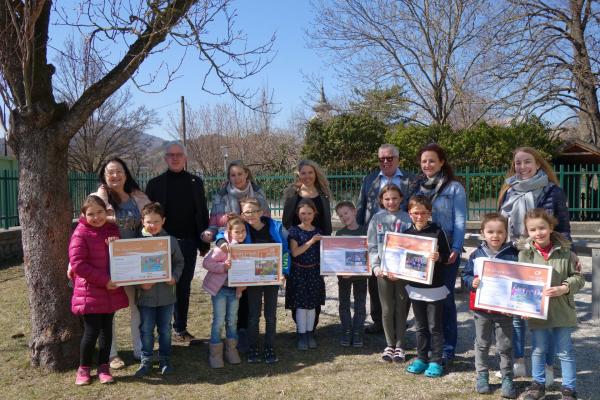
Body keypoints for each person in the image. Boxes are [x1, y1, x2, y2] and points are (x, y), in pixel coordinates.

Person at [67, 157, 150, 368]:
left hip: (133, 261)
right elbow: (83, 228)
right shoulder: (96, 198)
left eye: (119, 171)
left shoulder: (138, 197)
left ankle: (140, 350)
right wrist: (71, 262)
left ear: (126, 173)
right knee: (106, 311)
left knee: (135, 307)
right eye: (110, 172)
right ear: (104, 176)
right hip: (105, 263)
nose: (115, 175)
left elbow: (152, 223)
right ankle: (112, 355)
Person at [499, 146, 572, 381]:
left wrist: (570, 253)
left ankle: (549, 367)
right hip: (514, 253)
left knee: (546, 314)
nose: (522, 167)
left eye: (527, 162)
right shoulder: (507, 190)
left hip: (544, 256)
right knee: (518, 314)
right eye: (518, 163)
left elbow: (563, 227)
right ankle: (519, 362)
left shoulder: (553, 191)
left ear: (538, 164)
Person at [202, 160, 270, 354]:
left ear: (247, 175)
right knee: (234, 291)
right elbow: (214, 223)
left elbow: (265, 218)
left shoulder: (258, 193)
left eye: (240, 174)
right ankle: (237, 333)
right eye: (233, 175)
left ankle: (248, 332)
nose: (237, 178)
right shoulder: (221, 196)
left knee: (249, 292)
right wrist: (213, 233)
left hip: (253, 245)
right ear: (229, 177)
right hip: (229, 246)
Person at [146, 141, 210, 342]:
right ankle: (160, 331)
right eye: (170, 155)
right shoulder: (155, 184)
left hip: (188, 243)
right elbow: (148, 215)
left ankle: (180, 329)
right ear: (165, 158)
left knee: (183, 288)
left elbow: (202, 213)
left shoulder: (196, 182)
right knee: (159, 286)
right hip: (161, 244)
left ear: (185, 158)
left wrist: (203, 243)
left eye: (178, 154)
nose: (174, 158)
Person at [518, 209, 584, 400]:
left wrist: (564, 288)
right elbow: (521, 283)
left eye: (542, 228)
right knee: (538, 349)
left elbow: (579, 279)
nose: (538, 233)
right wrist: (522, 306)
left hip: (562, 309)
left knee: (565, 351)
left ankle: (569, 389)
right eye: (532, 229)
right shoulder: (525, 254)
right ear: (527, 232)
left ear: (551, 227)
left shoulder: (566, 252)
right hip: (538, 311)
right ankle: (537, 386)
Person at [410, 143, 466, 364]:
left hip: (445, 252)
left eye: (432, 160)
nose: (427, 165)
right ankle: (427, 347)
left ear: (442, 162)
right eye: (424, 161)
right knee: (422, 298)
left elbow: (460, 220)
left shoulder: (454, 188)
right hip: (421, 252)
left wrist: (456, 247)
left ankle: (447, 348)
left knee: (446, 298)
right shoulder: (416, 187)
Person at [69, 195, 128, 385]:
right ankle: (83, 369)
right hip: (90, 291)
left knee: (107, 331)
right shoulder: (80, 233)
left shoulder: (112, 230)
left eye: (100, 212)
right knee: (91, 331)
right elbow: (78, 264)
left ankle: (104, 367)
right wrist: (104, 281)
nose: (96, 217)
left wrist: (115, 244)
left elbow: (120, 257)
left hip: (110, 290)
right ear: (83, 215)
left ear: (107, 212)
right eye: (91, 214)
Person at [357, 144, 413, 334]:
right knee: (376, 282)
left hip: (402, 242)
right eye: (382, 159)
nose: (385, 162)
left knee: (402, 286)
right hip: (377, 238)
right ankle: (379, 321)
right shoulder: (370, 179)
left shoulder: (410, 179)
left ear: (398, 159)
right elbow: (361, 206)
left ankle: (400, 321)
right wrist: (358, 232)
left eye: (389, 158)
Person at [461, 213, 518, 398]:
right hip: (482, 309)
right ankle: (482, 376)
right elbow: (466, 275)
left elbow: (521, 279)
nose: (495, 235)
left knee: (505, 345)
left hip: (504, 310)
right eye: (490, 231)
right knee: (482, 344)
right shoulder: (477, 255)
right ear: (482, 233)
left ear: (506, 234)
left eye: (500, 232)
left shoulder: (513, 254)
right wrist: (471, 282)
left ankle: (507, 378)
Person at [236, 197, 290, 364]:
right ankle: (253, 347)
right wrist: (222, 241)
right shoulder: (241, 228)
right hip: (252, 279)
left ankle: (269, 347)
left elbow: (286, 252)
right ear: (242, 214)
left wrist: (285, 272)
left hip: (272, 278)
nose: (250, 215)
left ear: (261, 212)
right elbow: (222, 234)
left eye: (253, 211)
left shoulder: (276, 227)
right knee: (253, 315)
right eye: (246, 212)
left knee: (271, 315)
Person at [134, 203, 184, 378]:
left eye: (156, 221)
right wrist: (140, 284)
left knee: (165, 329)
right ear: (142, 221)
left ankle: (165, 359)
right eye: (149, 221)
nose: (152, 225)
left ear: (163, 221)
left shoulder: (170, 241)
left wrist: (174, 277)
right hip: (145, 296)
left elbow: (179, 262)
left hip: (166, 295)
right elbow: (131, 268)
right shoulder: (135, 242)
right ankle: (146, 360)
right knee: (146, 329)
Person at [403, 195, 451, 379]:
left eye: (423, 212)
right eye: (416, 212)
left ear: (429, 213)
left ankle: (436, 360)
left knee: (435, 327)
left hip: (434, 287)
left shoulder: (438, 232)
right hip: (415, 286)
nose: (419, 216)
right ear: (410, 213)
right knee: (420, 326)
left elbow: (447, 257)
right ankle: (421, 358)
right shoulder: (406, 234)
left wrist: (439, 257)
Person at [282, 159, 331, 329]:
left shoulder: (322, 193)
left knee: (314, 287)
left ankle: (312, 327)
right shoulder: (292, 193)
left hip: (317, 244)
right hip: (297, 245)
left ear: (315, 174)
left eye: (310, 172)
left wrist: (325, 244)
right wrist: (293, 241)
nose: (307, 176)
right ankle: (300, 328)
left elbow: (327, 222)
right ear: (298, 174)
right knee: (297, 288)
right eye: (303, 173)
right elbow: (286, 221)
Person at [367, 184, 411, 363]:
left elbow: (414, 245)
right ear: (381, 201)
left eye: (394, 198)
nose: (391, 202)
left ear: (401, 198)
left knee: (401, 308)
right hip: (383, 272)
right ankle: (389, 344)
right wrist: (375, 266)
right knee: (386, 309)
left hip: (403, 273)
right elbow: (371, 245)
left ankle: (400, 345)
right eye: (387, 199)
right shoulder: (377, 219)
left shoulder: (408, 218)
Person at [202, 215, 247, 368]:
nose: (241, 234)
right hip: (220, 290)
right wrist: (223, 267)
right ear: (230, 232)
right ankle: (215, 353)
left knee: (232, 320)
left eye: (243, 231)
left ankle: (231, 350)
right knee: (219, 321)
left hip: (235, 291)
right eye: (237, 232)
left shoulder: (245, 248)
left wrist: (244, 283)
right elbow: (206, 262)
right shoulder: (223, 248)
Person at [285, 199, 325, 351]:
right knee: (301, 306)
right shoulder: (294, 231)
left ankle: (310, 333)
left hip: (314, 272)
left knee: (312, 304)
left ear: (314, 213)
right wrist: (311, 242)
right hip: (299, 272)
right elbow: (295, 252)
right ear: (298, 214)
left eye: (309, 213)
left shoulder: (319, 231)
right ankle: (301, 335)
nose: (306, 216)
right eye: (303, 213)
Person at [334, 201, 368, 348]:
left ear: (354, 211)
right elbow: (336, 256)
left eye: (346, 213)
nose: (344, 217)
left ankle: (358, 332)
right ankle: (346, 331)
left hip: (361, 277)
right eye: (340, 216)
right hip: (344, 277)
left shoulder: (365, 231)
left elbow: (369, 255)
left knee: (360, 304)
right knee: (344, 304)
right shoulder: (340, 233)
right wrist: (341, 271)